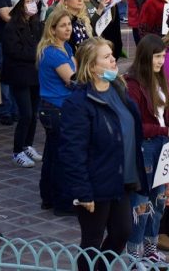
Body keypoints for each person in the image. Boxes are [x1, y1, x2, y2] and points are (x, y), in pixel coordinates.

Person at [60, 38, 148, 271]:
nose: (113, 60)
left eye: (112, 55)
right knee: (92, 240)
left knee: (122, 232)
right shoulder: (78, 103)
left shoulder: (119, 91)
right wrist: (82, 191)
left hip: (121, 179)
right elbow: (72, 150)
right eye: (106, 57)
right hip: (96, 183)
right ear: (91, 66)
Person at [124, 34, 169, 265]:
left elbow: (166, 109)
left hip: (163, 146)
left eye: (163, 56)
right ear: (145, 56)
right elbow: (136, 125)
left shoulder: (158, 78)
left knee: (159, 200)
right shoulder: (133, 84)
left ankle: (150, 247)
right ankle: (134, 253)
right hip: (146, 148)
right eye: (157, 56)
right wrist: (165, 131)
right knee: (141, 203)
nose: (161, 61)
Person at [36, 8, 76, 215]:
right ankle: (62, 203)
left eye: (69, 24)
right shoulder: (52, 52)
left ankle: (48, 197)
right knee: (61, 156)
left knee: (52, 153)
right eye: (63, 25)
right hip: (56, 109)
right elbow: (73, 80)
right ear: (52, 29)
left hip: (57, 108)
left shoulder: (65, 47)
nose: (68, 28)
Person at [1, 0, 45, 168]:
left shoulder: (35, 24)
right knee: (25, 113)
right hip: (19, 75)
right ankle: (17, 151)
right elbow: (14, 51)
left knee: (34, 113)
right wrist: (37, 53)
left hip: (34, 74)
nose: (32, 3)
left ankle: (27, 145)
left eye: (32, 0)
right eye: (27, 1)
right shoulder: (11, 27)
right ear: (20, 5)